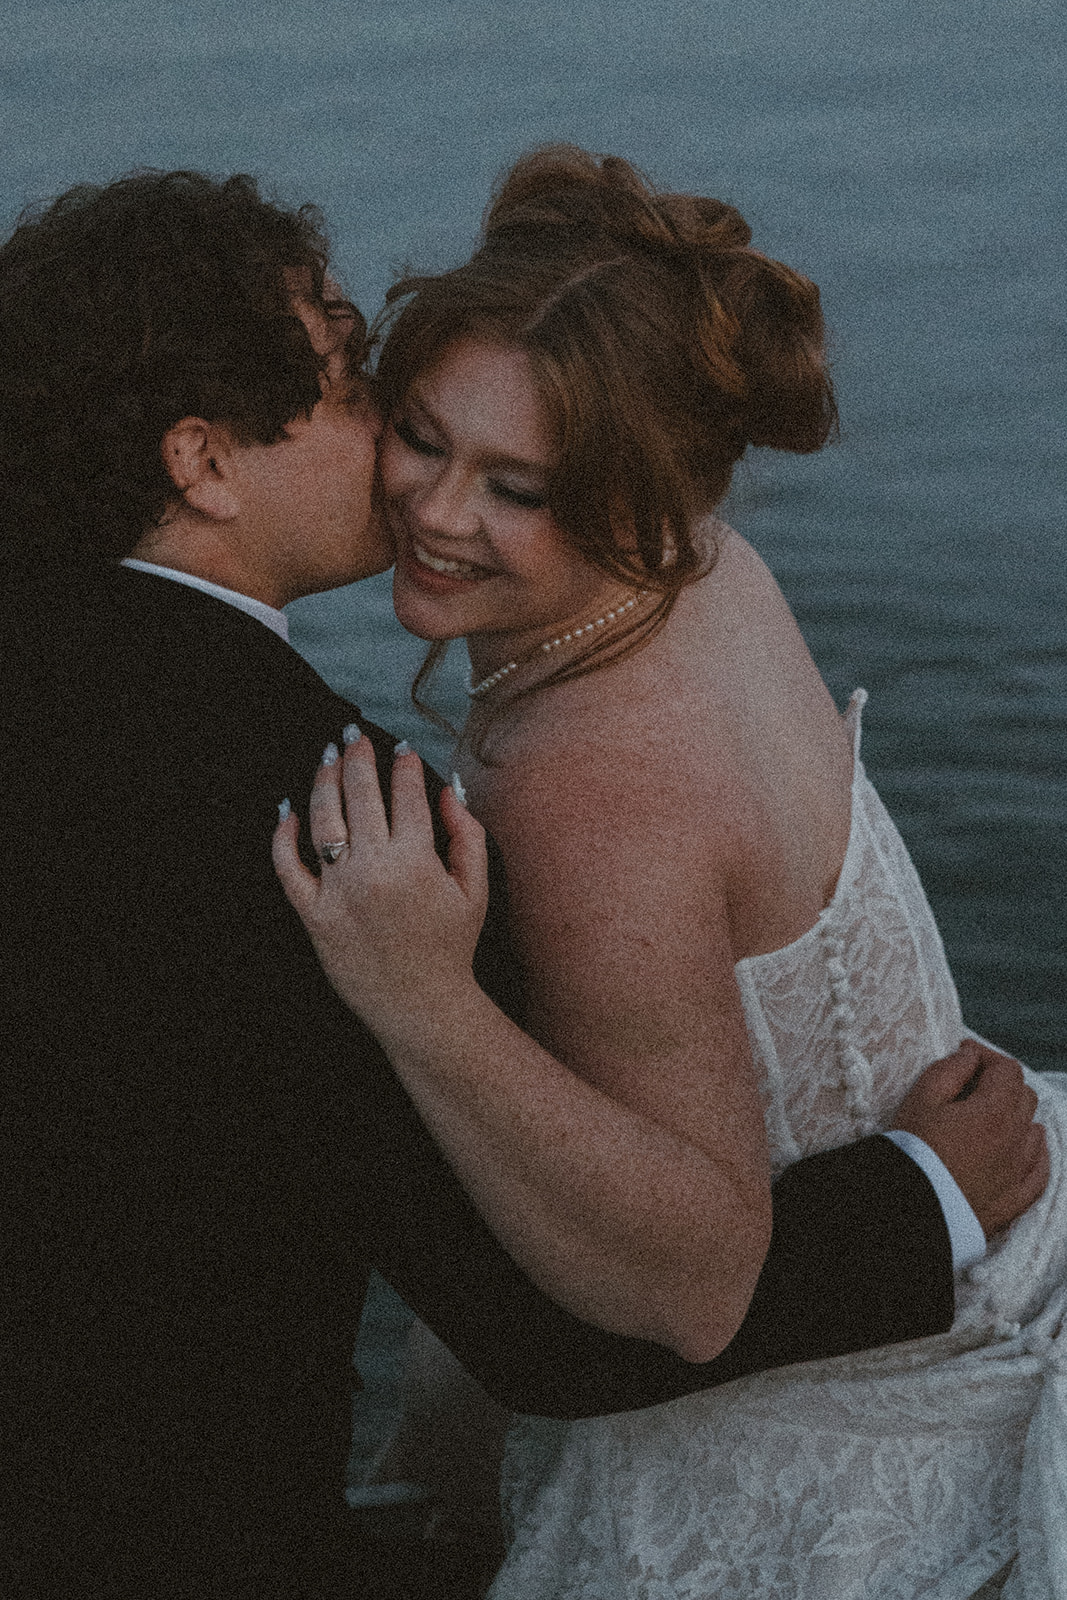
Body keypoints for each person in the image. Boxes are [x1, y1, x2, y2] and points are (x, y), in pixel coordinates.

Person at [0, 169, 1043, 1599]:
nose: (400, 459)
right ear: (204, 461)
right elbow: (565, 1327)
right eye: (357, 383)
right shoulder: (326, 816)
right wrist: (922, 1201)